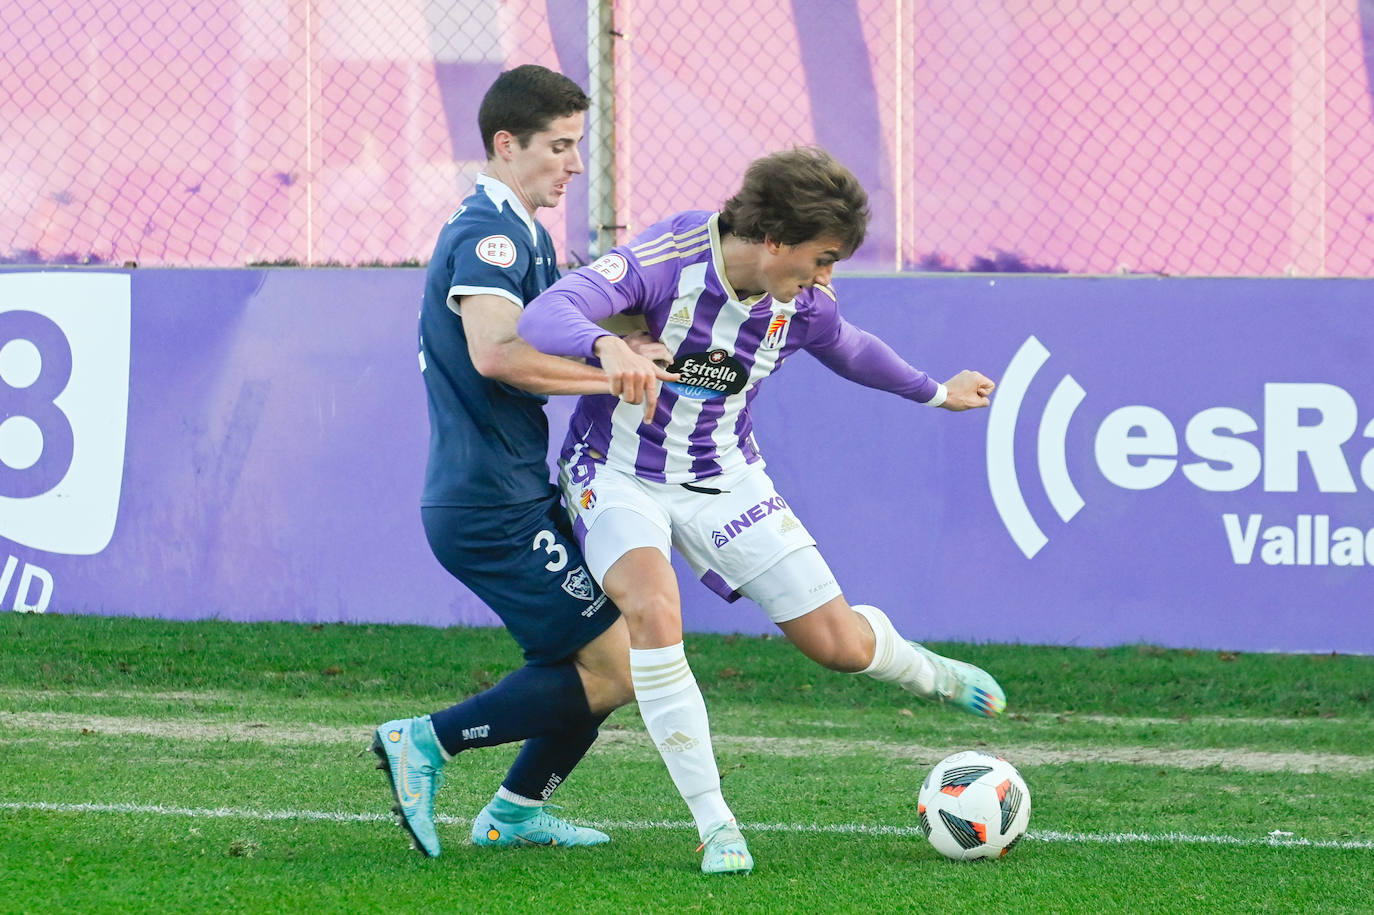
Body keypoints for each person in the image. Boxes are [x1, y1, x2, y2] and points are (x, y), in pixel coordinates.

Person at [517, 146, 1006, 875]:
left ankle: (930, 673)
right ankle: (716, 825)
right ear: (774, 240)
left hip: (725, 475)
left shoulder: (801, 303)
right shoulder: (670, 257)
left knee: (837, 645)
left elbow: (850, 346)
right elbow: (545, 312)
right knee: (654, 610)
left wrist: (935, 391)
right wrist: (604, 344)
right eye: (822, 258)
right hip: (617, 473)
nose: (826, 278)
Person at [369, 64, 675, 858]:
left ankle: (513, 816)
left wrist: (629, 345)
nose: (573, 165)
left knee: (597, 661)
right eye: (559, 147)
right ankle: (425, 742)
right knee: (613, 666)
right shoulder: (490, 235)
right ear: (507, 145)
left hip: (509, 493)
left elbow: (558, 326)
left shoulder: (525, 231)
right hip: (486, 505)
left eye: (578, 146)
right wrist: (613, 373)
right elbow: (498, 354)